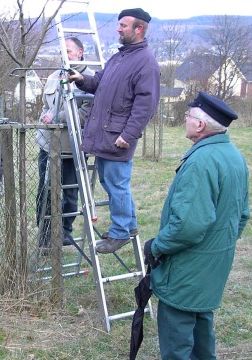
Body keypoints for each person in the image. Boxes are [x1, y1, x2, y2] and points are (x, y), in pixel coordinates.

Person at [144, 91, 250, 359]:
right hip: (212, 266)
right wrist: (217, 247)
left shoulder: (201, 162)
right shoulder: (234, 156)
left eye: (187, 116)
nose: (185, 120)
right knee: (202, 332)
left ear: (200, 125)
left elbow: (188, 226)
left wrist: (157, 246)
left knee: (178, 342)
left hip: (186, 269)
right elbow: (242, 215)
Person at [67, 8, 160, 253]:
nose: (118, 29)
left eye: (123, 25)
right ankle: (128, 226)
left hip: (118, 137)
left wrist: (128, 136)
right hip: (106, 133)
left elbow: (145, 106)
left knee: (117, 184)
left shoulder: (146, 63)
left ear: (139, 29)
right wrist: (81, 79)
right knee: (111, 183)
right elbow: (99, 82)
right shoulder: (119, 57)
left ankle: (119, 233)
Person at [36, 37, 94, 248]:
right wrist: (45, 118)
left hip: (73, 148)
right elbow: (44, 106)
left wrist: (58, 116)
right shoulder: (53, 77)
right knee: (45, 190)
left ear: (80, 52)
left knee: (70, 193)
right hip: (48, 144)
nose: (64, 55)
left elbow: (85, 114)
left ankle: (64, 233)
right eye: (62, 51)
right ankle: (44, 235)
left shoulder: (90, 79)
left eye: (69, 51)